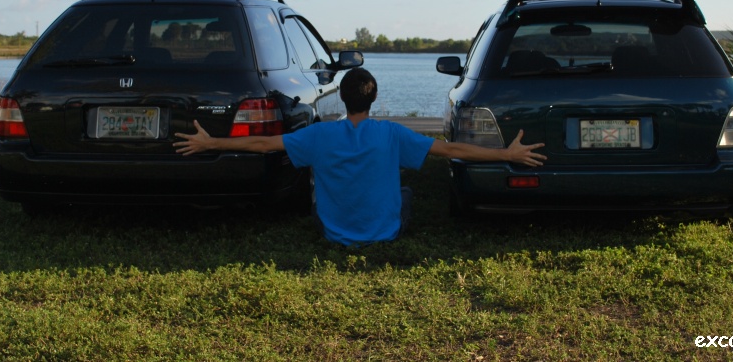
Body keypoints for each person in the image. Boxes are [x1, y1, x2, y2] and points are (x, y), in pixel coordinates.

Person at [174, 67, 545, 246]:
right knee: (406, 193)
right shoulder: (391, 133)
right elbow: (451, 149)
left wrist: (211, 143)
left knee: (317, 194)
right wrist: (506, 152)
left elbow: (263, 145)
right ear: (374, 98)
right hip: (386, 233)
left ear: (342, 97)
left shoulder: (319, 134)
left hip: (333, 233)